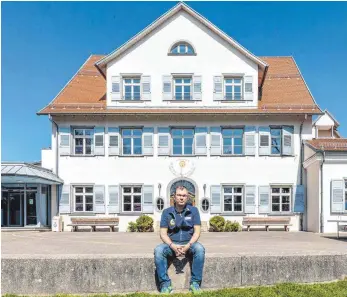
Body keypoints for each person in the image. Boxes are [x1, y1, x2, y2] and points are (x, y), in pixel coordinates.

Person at [154, 185, 205, 294]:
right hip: (172, 244)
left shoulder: (194, 211)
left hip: (189, 243)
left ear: (187, 197)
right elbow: (163, 233)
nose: (181, 198)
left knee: (200, 249)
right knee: (158, 250)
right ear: (174, 197)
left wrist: (188, 245)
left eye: (184, 195)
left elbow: (197, 232)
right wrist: (172, 245)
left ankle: (195, 283)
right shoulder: (166, 212)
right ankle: (165, 285)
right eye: (179, 195)